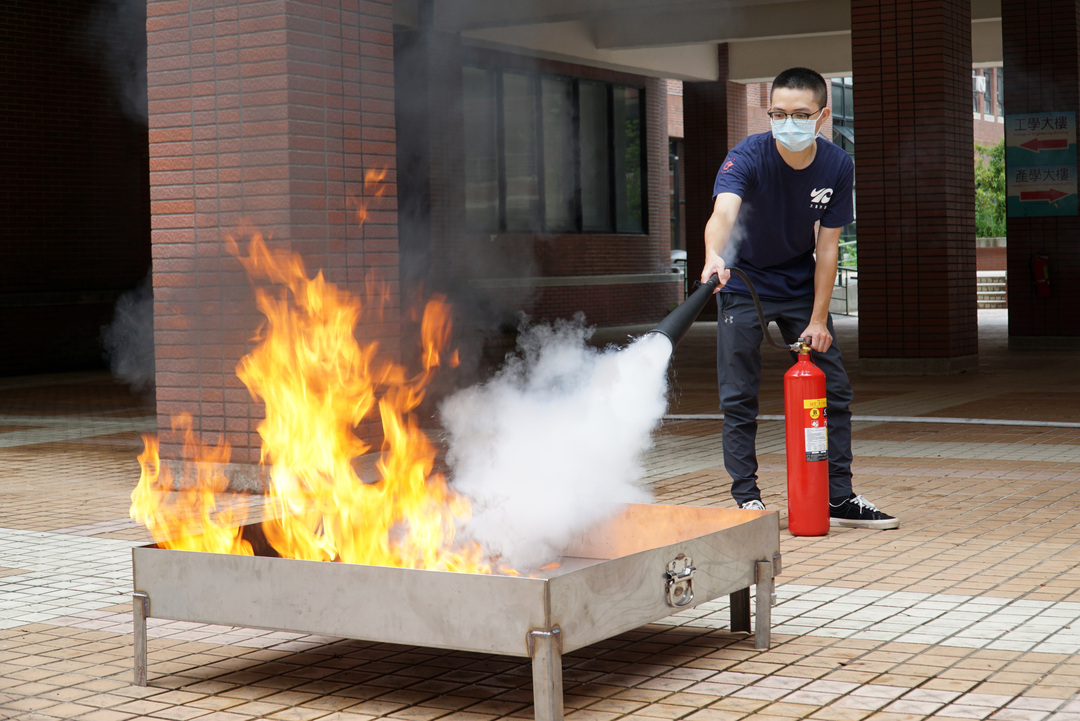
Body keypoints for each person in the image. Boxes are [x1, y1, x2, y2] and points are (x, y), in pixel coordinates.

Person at [700, 67, 898, 530]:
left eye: (800, 114)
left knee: (835, 389)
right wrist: (712, 254)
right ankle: (747, 498)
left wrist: (819, 319)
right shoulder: (746, 157)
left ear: (823, 115)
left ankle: (838, 496)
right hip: (743, 281)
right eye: (778, 113)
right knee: (739, 393)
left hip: (797, 281)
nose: (788, 122)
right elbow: (722, 212)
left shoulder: (837, 165)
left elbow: (828, 249)